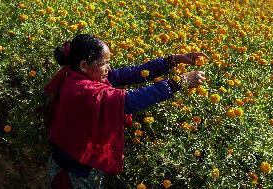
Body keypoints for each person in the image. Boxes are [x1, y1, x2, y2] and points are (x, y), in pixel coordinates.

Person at [44, 34, 208, 189]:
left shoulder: (78, 74)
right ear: (84, 65)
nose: (109, 68)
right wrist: (178, 82)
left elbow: (132, 73)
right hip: (75, 169)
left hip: (74, 157)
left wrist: (174, 59)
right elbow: (129, 101)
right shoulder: (81, 90)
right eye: (104, 63)